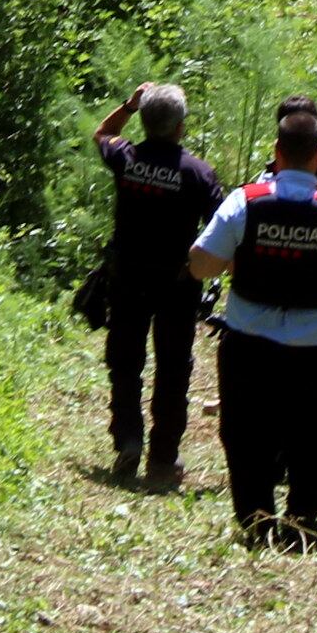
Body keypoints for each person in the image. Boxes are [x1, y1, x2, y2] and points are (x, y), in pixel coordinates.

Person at [188, 99, 317, 548]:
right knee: (310, 434)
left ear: (276, 153)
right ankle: (302, 526)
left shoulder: (245, 202)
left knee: (244, 432)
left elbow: (200, 263)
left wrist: (236, 259)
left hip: (247, 343)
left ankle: (256, 521)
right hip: (315, 347)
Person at [90, 82, 222, 486]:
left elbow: (101, 134)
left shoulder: (127, 157)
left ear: (145, 122)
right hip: (177, 283)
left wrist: (129, 105)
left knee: (126, 362)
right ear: (180, 127)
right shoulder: (198, 173)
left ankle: (129, 439)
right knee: (173, 369)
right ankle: (163, 458)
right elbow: (221, 226)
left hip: (127, 276)